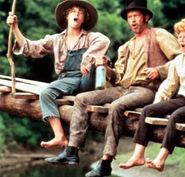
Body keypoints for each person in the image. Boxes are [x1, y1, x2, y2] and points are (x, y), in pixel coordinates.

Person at [45, 0, 180, 175]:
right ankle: (72, 151)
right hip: (123, 89)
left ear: (146, 17)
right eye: (129, 17)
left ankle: (106, 162)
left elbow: (181, 60)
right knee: (81, 98)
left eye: (135, 16)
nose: (132, 21)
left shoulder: (158, 35)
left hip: (147, 90)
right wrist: (107, 69)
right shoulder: (126, 46)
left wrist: (160, 71)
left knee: (116, 106)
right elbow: (118, 79)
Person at [119, 18, 185, 172]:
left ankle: (160, 159)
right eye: (179, 36)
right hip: (183, 99)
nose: (180, 39)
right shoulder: (178, 61)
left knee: (176, 116)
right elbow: (168, 86)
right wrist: (157, 104)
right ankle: (138, 156)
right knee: (148, 110)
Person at [6, 0, 110, 149]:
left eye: (80, 12)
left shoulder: (90, 37)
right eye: (73, 11)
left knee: (100, 61)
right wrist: (15, 27)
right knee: (46, 93)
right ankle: (60, 136)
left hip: (87, 80)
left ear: (84, 18)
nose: (77, 14)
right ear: (66, 16)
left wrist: (87, 59)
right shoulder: (56, 39)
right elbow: (31, 48)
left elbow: (104, 40)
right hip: (68, 79)